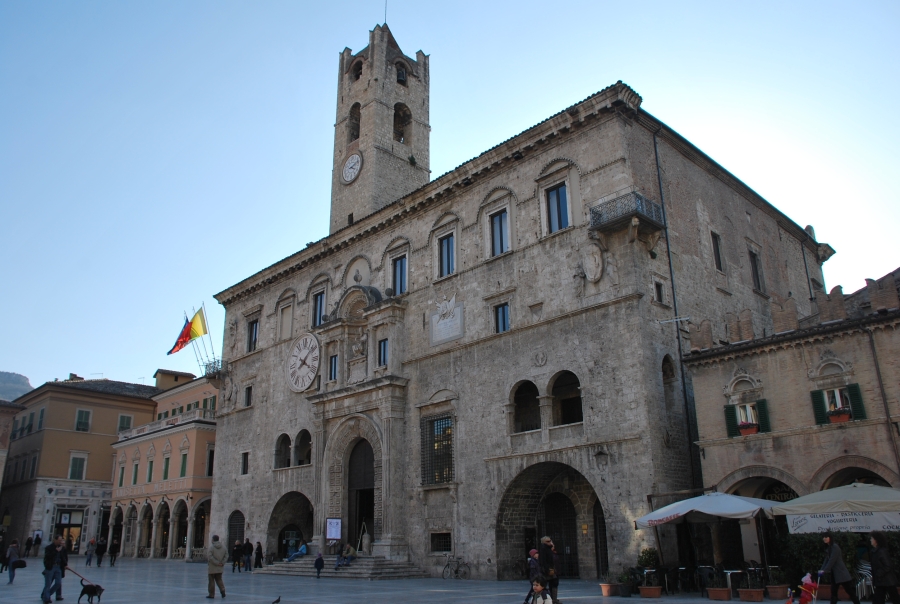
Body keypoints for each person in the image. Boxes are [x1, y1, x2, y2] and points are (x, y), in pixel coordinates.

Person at [818, 533, 861, 604]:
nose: (824, 538)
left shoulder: (835, 547)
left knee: (849, 591)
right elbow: (826, 560)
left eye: (826, 537)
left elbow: (832, 560)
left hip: (841, 573)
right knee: (833, 592)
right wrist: (821, 569)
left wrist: (824, 571)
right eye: (823, 537)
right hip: (835, 574)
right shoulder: (829, 548)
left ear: (830, 538)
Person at [870, 531, 899, 604]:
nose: (871, 540)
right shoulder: (876, 551)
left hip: (887, 580)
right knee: (878, 599)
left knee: (894, 598)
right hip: (882, 581)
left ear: (876, 540)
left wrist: (878, 573)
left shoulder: (881, 551)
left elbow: (888, 565)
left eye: (872, 538)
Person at [42, 534, 68, 604]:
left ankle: (47, 595)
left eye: (61, 540)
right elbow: (47, 556)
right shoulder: (49, 547)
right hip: (51, 566)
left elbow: (63, 557)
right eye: (59, 540)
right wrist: (56, 551)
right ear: (55, 540)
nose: (60, 542)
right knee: (48, 584)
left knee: (58, 583)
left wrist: (65, 564)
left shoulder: (61, 548)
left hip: (58, 567)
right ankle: (46, 599)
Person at [538, 537, 560, 604]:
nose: (550, 542)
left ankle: (553, 599)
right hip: (547, 570)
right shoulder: (544, 549)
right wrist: (546, 569)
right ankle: (546, 599)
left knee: (554, 583)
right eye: (548, 541)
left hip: (551, 569)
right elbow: (543, 561)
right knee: (545, 584)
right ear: (544, 542)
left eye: (550, 541)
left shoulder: (550, 549)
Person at [207, 534, 227, 599]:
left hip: (212, 567)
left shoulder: (211, 547)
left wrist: (216, 563)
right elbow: (226, 556)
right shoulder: (224, 547)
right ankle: (222, 590)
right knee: (219, 579)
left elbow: (210, 556)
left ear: (213, 539)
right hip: (220, 567)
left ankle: (211, 594)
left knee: (211, 581)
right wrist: (222, 563)